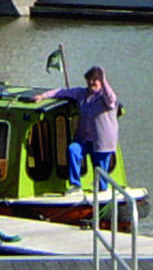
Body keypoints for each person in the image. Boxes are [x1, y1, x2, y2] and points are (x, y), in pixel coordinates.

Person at [35, 65, 119, 194]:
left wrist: (104, 79)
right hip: (84, 140)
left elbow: (111, 97)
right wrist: (43, 96)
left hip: (102, 142)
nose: (91, 83)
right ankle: (75, 185)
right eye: (89, 80)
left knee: (100, 168)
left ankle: (102, 191)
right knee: (73, 150)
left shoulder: (106, 98)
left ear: (101, 82)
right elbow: (61, 92)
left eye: (95, 80)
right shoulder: (82, 93)